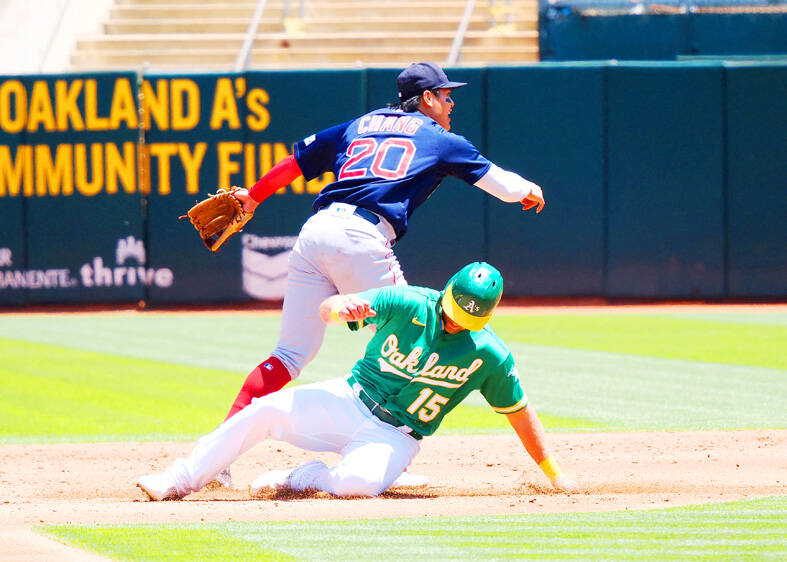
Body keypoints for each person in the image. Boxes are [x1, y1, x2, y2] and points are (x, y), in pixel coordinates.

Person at [215, 62, 546, 487]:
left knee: (289, 356)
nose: (451, 102)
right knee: (416, 337)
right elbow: (500, 185)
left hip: (316, 231)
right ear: (426, 98)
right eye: (445, 95)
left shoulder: (362, 123)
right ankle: (382, 458)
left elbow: (297, 161)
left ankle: (217, 457)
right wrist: (528, 189)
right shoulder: (439, 138)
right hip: (361, 235)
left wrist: (254, 197)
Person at [137, 262, 577, 500]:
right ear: (444, 294)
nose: (453, 324)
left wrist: (553, 474)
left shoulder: (490, 354)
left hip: (396, 435)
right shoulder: (407, 302)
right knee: (265, 409)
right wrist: (339, 307)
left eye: (465, 321)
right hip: (348, 399)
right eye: (451, 312)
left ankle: (307, 477)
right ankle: (178, 479)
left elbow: (518, 412)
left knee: (354, 486)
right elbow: (332, 308)